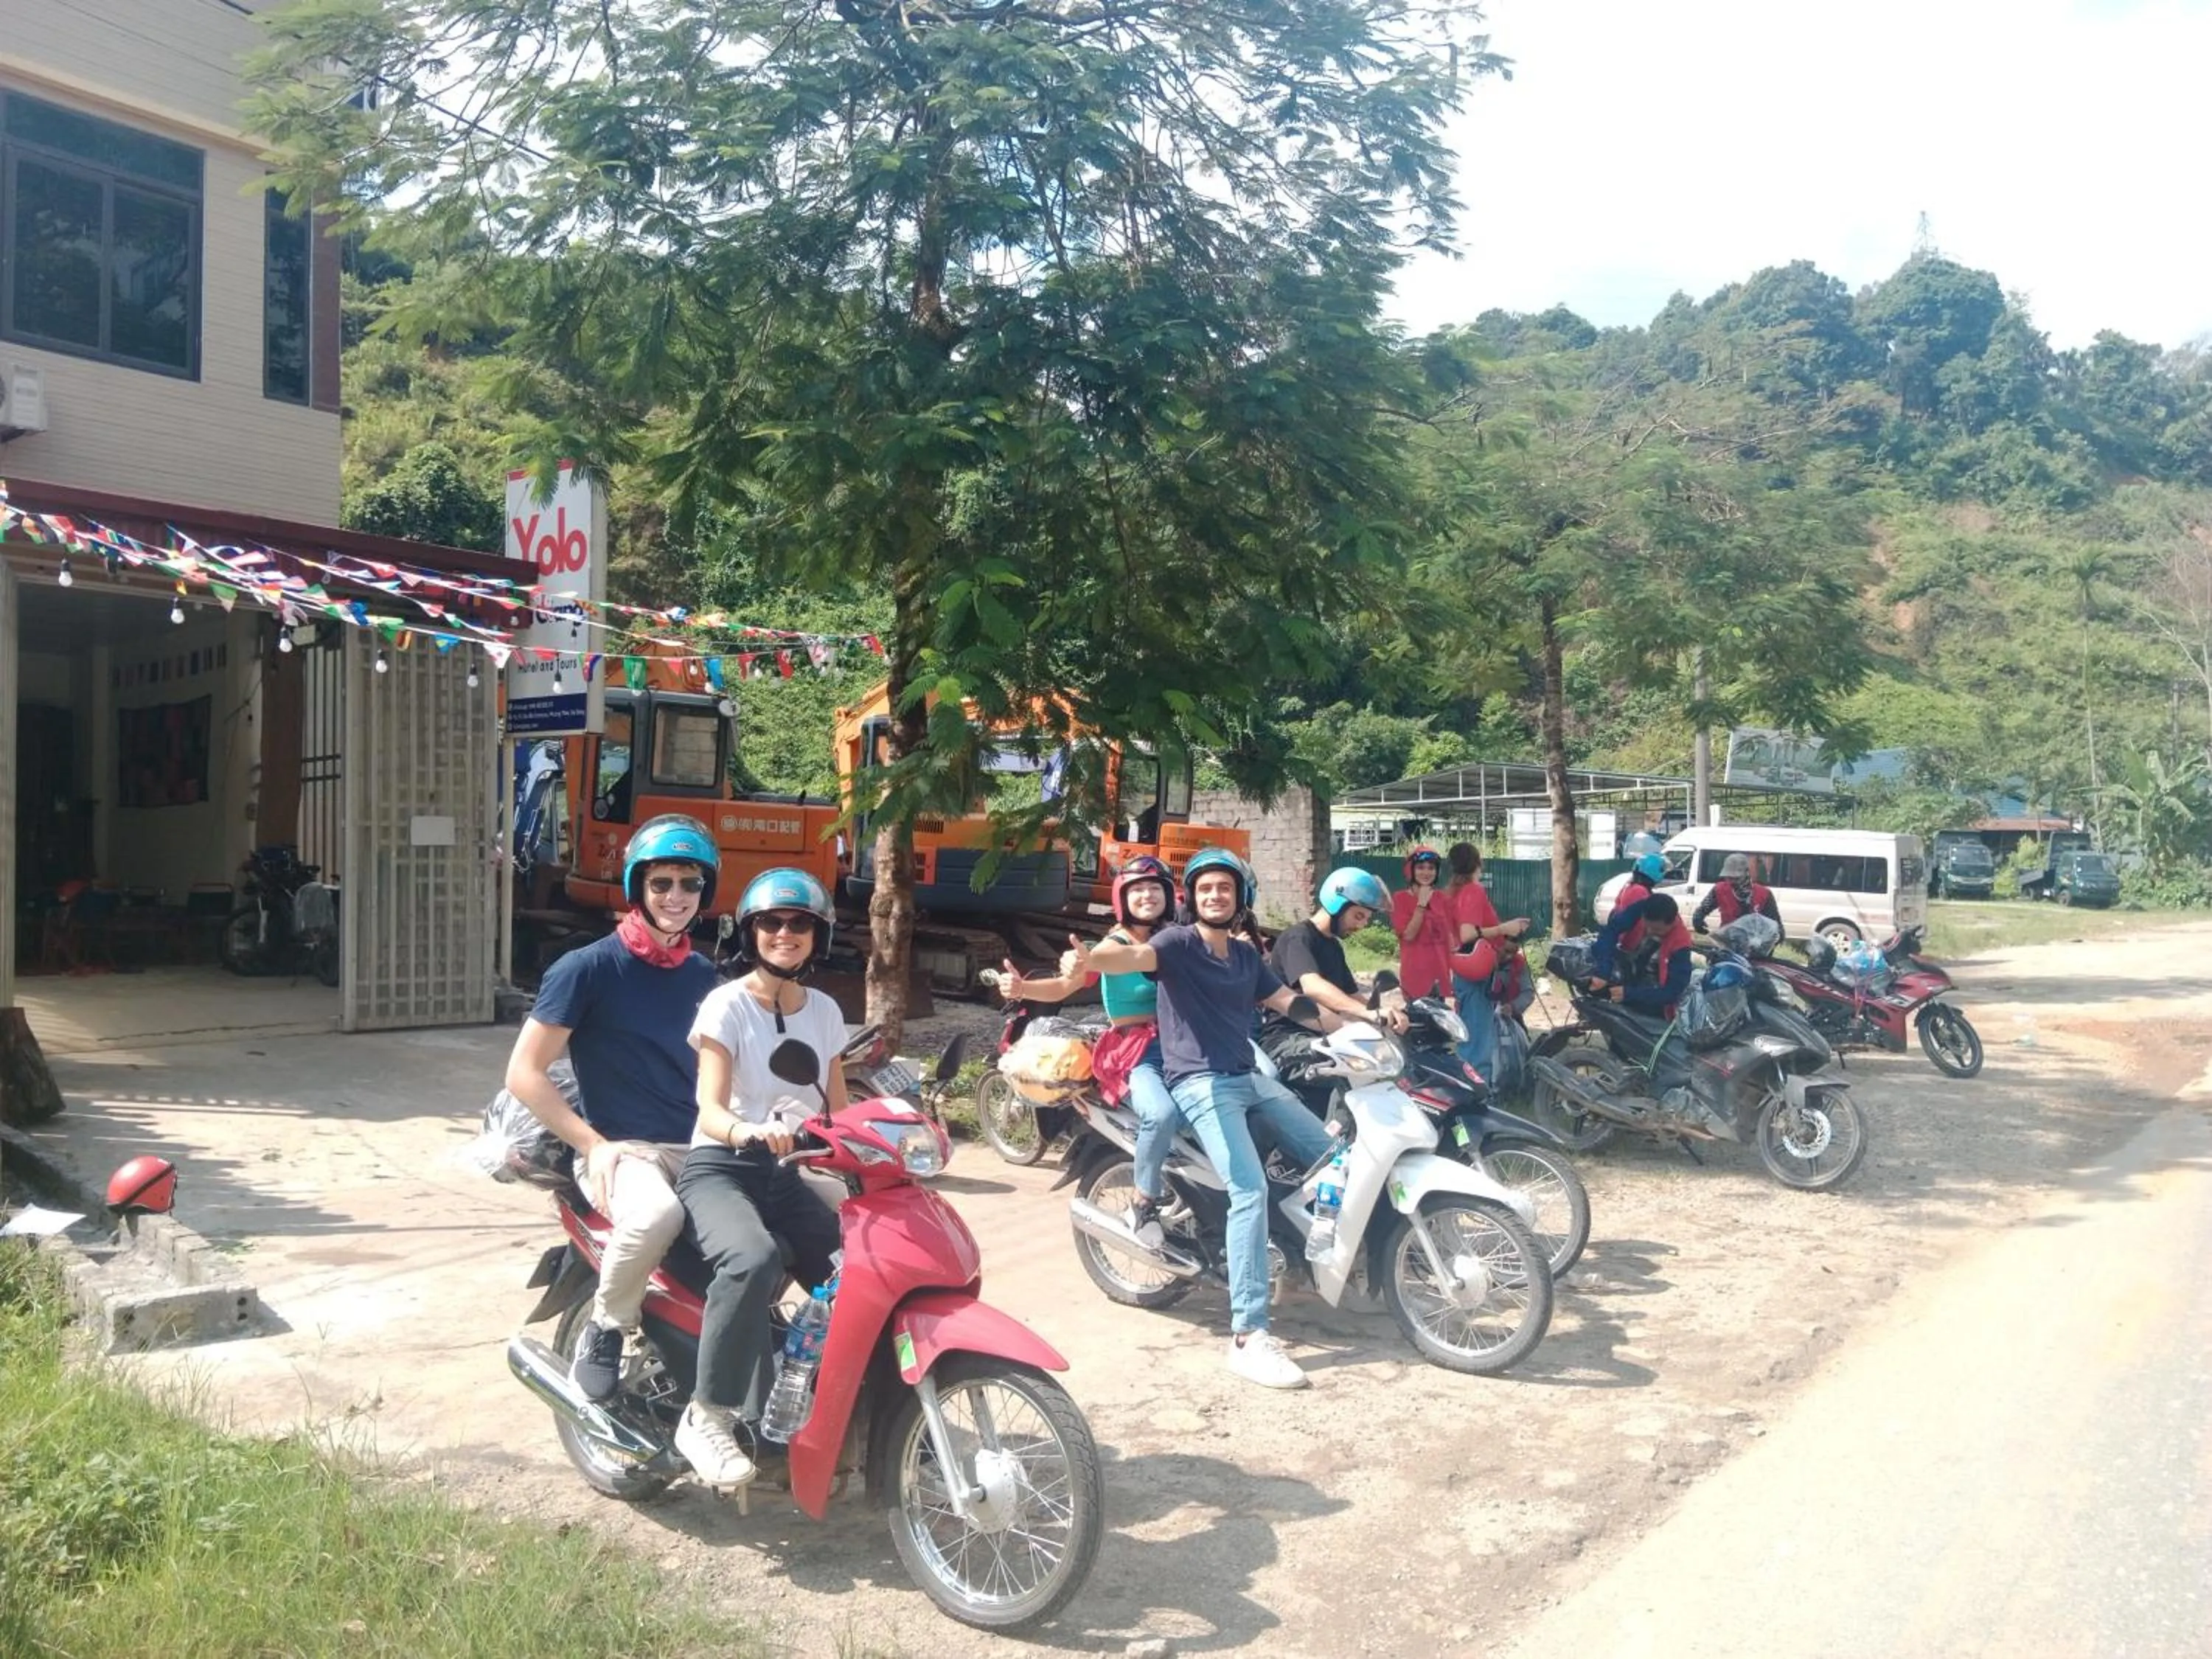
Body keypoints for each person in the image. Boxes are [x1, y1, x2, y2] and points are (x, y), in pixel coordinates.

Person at [1082, 848, 1339, 1390]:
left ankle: (1313, 1250)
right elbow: (1125, 959)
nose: (1215, 896)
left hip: (1247, 1075)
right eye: (1205, 889)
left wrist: (1361, 1020)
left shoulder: (1246, 958)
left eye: (1224, 888)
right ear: (1191, 899)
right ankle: (1249, 1336)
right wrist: (1089, 956)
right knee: (1248, 1191)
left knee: (1332, 1154)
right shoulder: (1174, 944)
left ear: (1240, 897)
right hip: (1200, 1082)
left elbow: (1288, 1002)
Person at [504, 814, 723, 1405]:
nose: (676, 897)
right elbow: (524, 1073)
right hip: (623, 1150)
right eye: (662, 884)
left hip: (699, 1144)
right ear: (638, 889)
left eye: (690, 883)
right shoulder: (588, 968)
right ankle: (606, 1326)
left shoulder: (702, 974)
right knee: (655, 1218)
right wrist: (592, 1144)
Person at [672, 868, 848, 1491]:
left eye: (799, 924)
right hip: (721, 1168)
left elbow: (838, 1108)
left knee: (854, 1271)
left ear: (817, 935)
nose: (785, 933)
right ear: (751, 932)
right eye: (771, 923)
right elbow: (711, 1110)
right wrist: (749, 1132)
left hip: (787, 1172)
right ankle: (708, 1414)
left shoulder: (825, 1011)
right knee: (754, 1257)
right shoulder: (726, 1005)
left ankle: (829, 1405)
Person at [998, 855, 1181, 1248]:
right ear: (1122, 899)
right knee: (1161, 1115)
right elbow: (1065, 985)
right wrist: (1024, 990)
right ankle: (1144, 1201)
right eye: (1138, 890)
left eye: (1154, 888)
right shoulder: (1111, 947)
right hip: (1137, 1051)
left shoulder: (1176, 939)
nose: (1147, 896)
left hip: (1188, 1046)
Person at [1265, 868, 1409, 1074]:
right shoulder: (1298, 938)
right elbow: (1312, 986)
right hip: (1288, 1040)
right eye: (1358, 916)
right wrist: (1368, 1014)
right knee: (1348, 1075)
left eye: (1366, 919)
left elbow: (1353, 998)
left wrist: (1389, 1016)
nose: (1361, 925)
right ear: (1337, 903)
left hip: (1324, 1035)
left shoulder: (1333, 946)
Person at [1444, 843, 1531, 1083]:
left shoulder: (1452, 892)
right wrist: (1505, 928)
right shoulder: (1473, 891)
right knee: (1478, 1040)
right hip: (1476, 973)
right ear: (1477, 862)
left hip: (1465, 970)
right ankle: (1477, 1096)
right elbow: (1468, 934)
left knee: (1472, 1034)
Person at [1389, 846, 1455, 1001]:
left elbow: (1452, 937)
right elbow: (1408, 935)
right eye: (1420, 868)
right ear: (1410, 870)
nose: (1426, 873)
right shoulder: (1400, 899)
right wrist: (1421, 905)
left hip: (1440, 976)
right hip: (1415, 978)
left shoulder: (1442, 899)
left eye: (1431, 868)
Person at [1693, 852, 1782, 936]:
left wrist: (1773, 939)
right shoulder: (1719, 890)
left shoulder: (1764, 894)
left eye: (1736, 878)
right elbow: (1703, 909)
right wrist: (1698, 919)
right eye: (1729, 877)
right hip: (1727, 939)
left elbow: (1775, 924)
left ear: (1746, 873)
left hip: (1755, 941)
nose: (1731, 881)